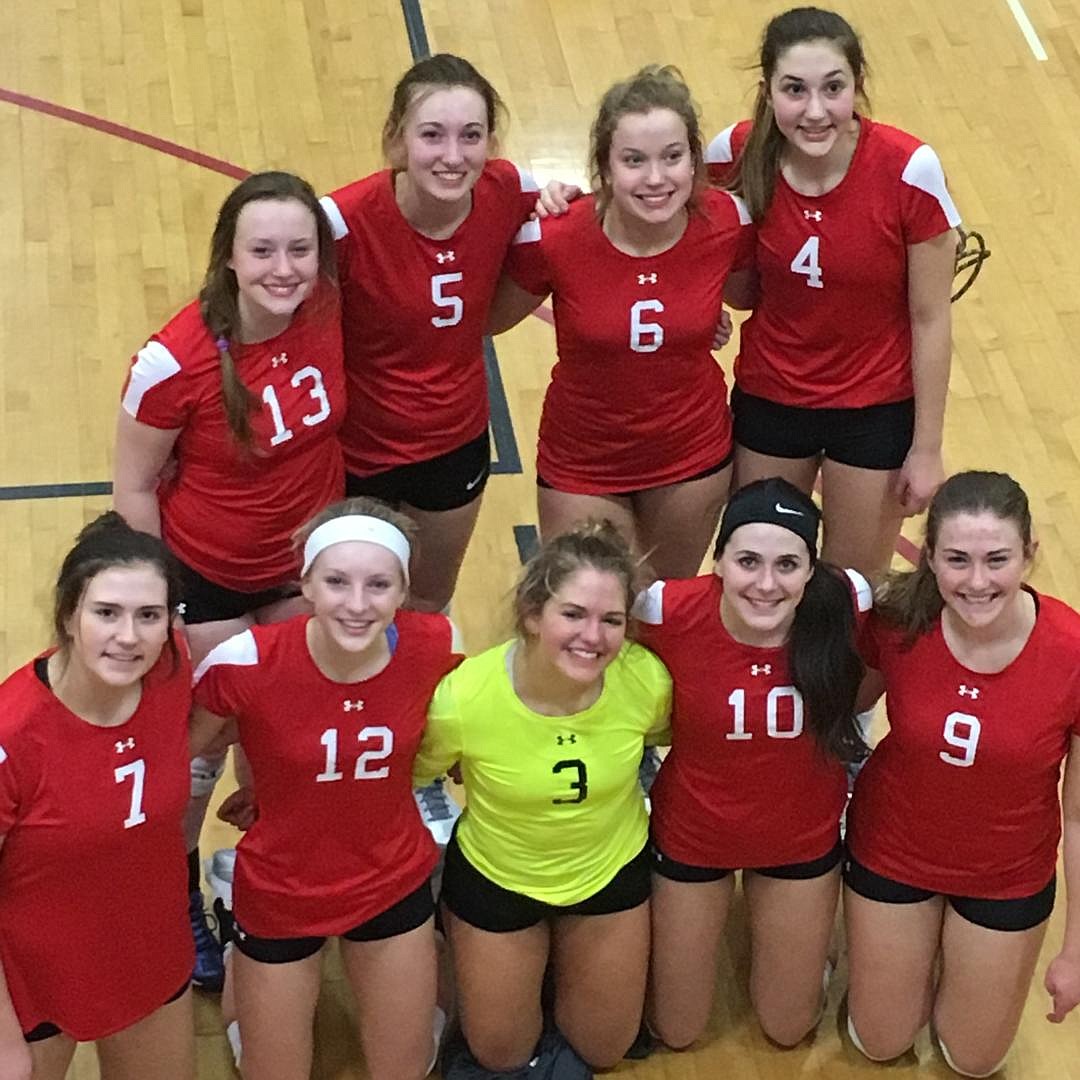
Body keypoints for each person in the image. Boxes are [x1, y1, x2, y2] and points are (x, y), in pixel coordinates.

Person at [113, 169, 346, 990]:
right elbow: (135, 489)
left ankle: (278, 885)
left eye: (300, 249)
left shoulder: (325, 302)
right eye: (263, 251)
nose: (284, 268)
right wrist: (167, 607)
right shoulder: (173, 362)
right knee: (201, 755)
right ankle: (178, 897)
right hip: (208, 580)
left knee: (292, 742)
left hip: (304, 572)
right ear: (229, 259)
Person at [189, 497, 458, 1080]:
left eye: (379, 584)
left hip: (390, 878)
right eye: (337, 581)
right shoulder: (243, 661)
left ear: (403, 589)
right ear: (305, 584)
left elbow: (478, 727)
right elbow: (187, 757)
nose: (358, 605)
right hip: (281, 889)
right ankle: (239, 944)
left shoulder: (436, 644)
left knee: (407, 1070)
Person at [708, 6, 959, 576]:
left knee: (854, 592)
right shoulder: (735, 154)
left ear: (857, 87)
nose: (815, 111)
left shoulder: (908, 170)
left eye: (833, 88)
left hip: (875, 410)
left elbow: (931, 319)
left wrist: (926, 447)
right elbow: (661, 213)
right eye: (794, 90)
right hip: (771, 399)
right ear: (768, 90)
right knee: (757, 577)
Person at [414, 522, 672, 1076]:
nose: (593, 637)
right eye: (573, 614)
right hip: (498, 876)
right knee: (500, 1054)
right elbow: (407, 774)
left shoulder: (645, 682)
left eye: (611, 621)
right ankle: (462, 943)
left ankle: (556, 970)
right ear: (533, 614)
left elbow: (682, 739)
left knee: (603, 1050)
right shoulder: (465, 699)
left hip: (607, 872)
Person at [845, 471, 1080, 1076]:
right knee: (880, 1041)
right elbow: (843, 721)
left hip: (1006, 876)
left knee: (972, 1061)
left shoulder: (1073, 652)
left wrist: (1077, 948)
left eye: (998, 559)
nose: (977, 582)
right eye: (957, 560)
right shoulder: (898, 625)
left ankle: (960, 958)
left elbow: (1078, 814)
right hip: (892, 851)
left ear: (1030, 553)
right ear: (929, 559)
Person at [488, 65, 754, 580]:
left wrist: (705, 323)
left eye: (673, 158)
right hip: (582, 464)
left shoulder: (727, 221)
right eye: (634, 160)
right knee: (586, 612)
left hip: (691, 458)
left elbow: (753, 298)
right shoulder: (555, 236)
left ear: (694, 160)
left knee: (659, 617)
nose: (656, 179)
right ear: (604, 168)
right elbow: (485, 320)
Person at [632, 477, 868, 1049]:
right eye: (747, 561)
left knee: (788, 1028)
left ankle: (807, 951)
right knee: (677, 1031)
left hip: (801, 842)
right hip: (692, 839)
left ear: (813, 570)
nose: (766, 583)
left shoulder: (848, 606)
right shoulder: (665, 610)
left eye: (788, 564)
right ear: (717, 562)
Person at [319, 53, 540, 614]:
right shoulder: (340, 225)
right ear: (396, 141)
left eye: (471, 136)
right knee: (348, 607)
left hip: (454, 445)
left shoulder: (509, 191)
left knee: (427, 602)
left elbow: (604, 221)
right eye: (432, 135)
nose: (452, 156)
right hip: (354, 452)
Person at [0, 513, 194, 1080]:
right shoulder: (13, 734)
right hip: (33, 983)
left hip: (149, 959)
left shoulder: (171, 672)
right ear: (68, 615)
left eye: (148, 616)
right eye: (106, 613)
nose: (128, 636)